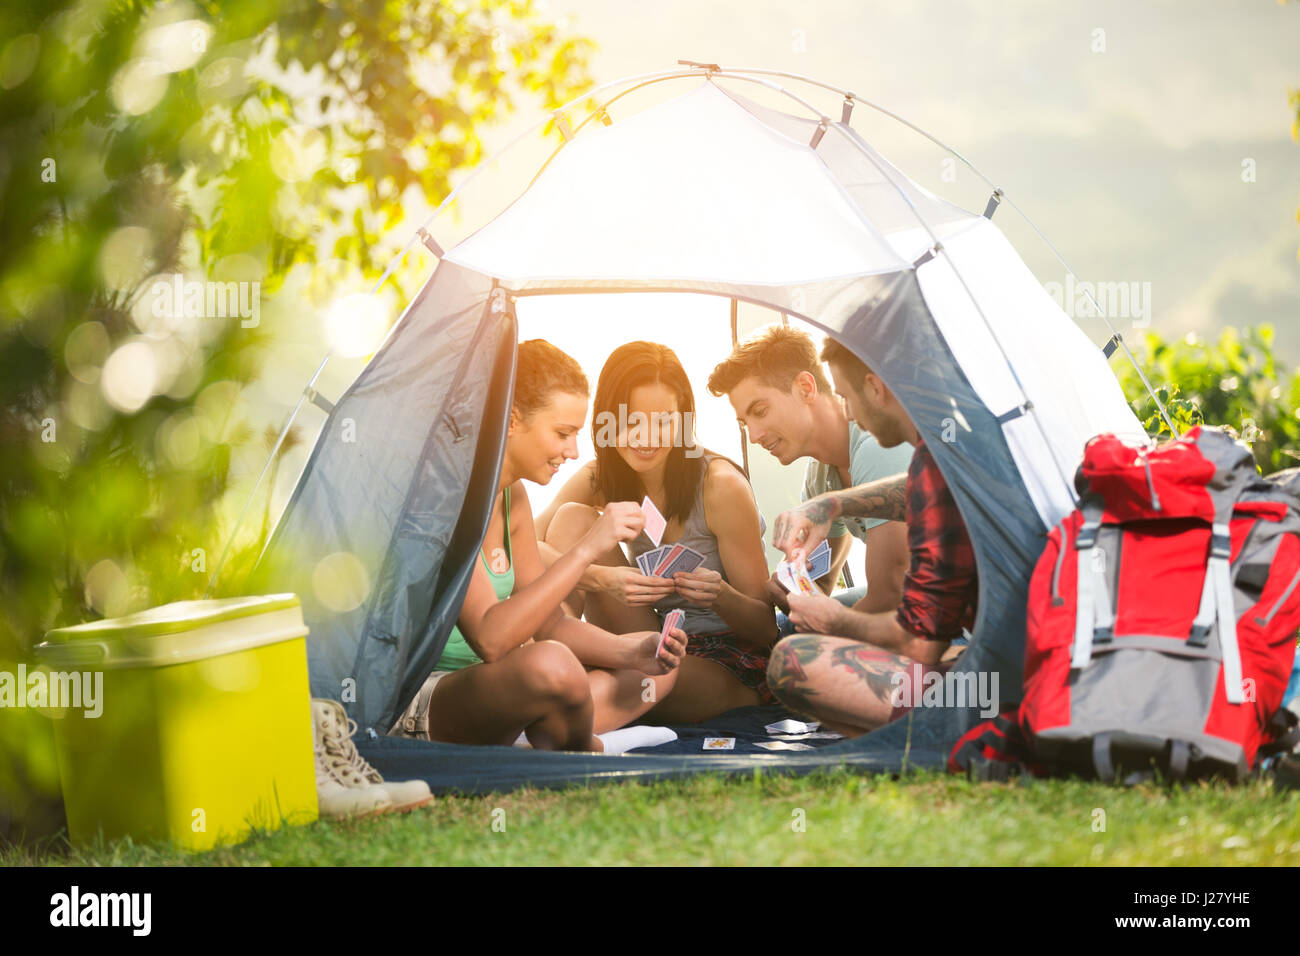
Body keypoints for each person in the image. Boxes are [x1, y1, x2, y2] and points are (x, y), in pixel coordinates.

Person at [388, 339, 688, 752]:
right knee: (551, 664)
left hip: (498, 695)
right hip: (426, 700)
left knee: (657, 672)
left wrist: (633, 651)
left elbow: (549, 623)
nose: (574, 450)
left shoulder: (513, 497)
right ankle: (589, 745)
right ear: (511, 420)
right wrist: (587, 548)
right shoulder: (449, 496)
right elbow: (491, 640)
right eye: (563, 433)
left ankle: (553, 738)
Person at [537, 341, 778, 723]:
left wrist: (721, 595)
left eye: (664, 421)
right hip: (653, 639)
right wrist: (601, 578)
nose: (647, 437)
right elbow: (522, 548)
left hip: (725, 659)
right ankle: (550, 654)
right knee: (570, 519)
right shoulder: (603, 476)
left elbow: (765, 629)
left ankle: (569, 692)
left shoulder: (720, 485)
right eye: (632, 420)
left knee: (638, 679)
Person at [764, 337, 978, 736]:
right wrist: (831, 505)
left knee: (793, 663)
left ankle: (943, 735)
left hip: (997, 679)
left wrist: (838, 621)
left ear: (876, 388)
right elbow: (915, 487)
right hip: (1018, 654)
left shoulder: (917, 464)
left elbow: (916, 642)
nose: (847, 412)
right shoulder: (964, 438)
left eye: (845, 396)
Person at [706, 325, 912, 629]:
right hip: (909, 602)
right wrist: (791, 591)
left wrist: (824, 632)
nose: (753, 436)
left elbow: (890, 596)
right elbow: (824, 582)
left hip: (965, 616)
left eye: (760, 411)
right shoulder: (821, 476)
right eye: (743, 423)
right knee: (787, 629)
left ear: (806, 388)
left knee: (799, 653)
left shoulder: (874, 448)